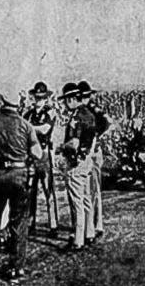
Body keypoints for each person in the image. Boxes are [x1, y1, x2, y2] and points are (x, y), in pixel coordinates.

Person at [0, 86, 42, 280]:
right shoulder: (25, 125)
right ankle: (16, 268)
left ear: (1, 103)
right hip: (18, 175)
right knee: (19, 221)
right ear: (18, 105)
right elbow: (37, 153)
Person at [57, 82, 96, 251]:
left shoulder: (76, 117)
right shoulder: (89, 114)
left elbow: (74, 143)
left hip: (76, 162)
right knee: (86, 198)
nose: (65, 105)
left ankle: (78, 240)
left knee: (76, 203)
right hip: (87, 160)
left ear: (72, 99)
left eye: (66, 100)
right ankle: (89, 232)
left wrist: (61, 147)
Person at [23, 82, 59, 238]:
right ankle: (31, 223)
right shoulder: (28, 114)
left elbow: (45, 129)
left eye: (42, 98)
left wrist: (30, 127)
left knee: (48, 190)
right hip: (31, 155)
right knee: (31, 192)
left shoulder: (50, 113)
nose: (39, 100)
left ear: (46, 98)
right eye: (37, 98)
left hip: (44, 153)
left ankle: (53, 224)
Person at [77, 80, 111, 241]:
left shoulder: (91, 109)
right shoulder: (86, 109)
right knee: (90, 189)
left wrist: (96, 135)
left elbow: (108, 122)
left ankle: (97, 224)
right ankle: (93, 224)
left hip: (93, 152)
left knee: (93, 189)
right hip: (91, 150)